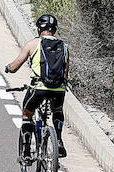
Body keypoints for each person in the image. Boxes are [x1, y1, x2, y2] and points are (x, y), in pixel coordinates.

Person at [5, 14, 70, 162]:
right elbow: (65, 73)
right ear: (54, 29)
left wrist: (8, 68)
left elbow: (15, 67)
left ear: (39, 28)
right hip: (58, 89)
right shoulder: (64, 47)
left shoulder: (32, 44)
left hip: (39, 88)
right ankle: (58, 140)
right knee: (57, 110)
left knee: (27, 115)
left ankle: (27, 152)